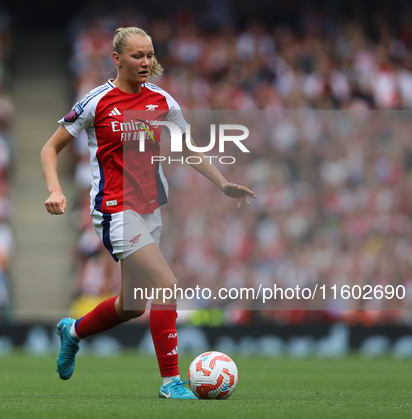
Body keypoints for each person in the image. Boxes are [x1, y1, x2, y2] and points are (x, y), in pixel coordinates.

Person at [41, 27, 256, 399]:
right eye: (137, 56)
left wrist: (222, 184)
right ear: (117, 59)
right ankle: (170, 382)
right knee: (167, 286)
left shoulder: (162, 101)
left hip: (149, 208)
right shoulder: (96, 102)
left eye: (149, 55)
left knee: (131, 306)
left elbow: (188, 148)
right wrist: (55, 190)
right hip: (114, 209)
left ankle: (72, 331)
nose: (145, 62)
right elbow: (49, 148)